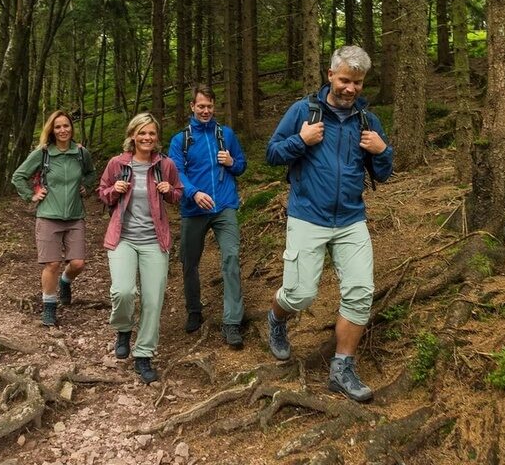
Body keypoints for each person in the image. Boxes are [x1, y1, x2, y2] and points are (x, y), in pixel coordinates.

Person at [265, 46, 393, 403]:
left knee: (360, 293)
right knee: (301, 294)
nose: (351, 88)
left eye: (358, 82)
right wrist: (300, 141)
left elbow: (382, 175)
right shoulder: (303, 111)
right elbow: (271, 153)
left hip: (351, 218)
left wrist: (382, 151)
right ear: (330, 75)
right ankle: (276, 317)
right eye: (345, 80)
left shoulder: (367, 119)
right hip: (307, 214)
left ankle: (341, 369)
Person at [98, 113, 183, 384]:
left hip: (154, 240)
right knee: (123, 292)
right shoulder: (118, 163)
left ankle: (144, 354)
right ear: (132, 135)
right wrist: (115, 189)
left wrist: (170, 189)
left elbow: (177, 194)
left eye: (152, 134)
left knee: (153, 299)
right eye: (142, 133)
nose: (147, 138)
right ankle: (123, 328)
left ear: (157, 137)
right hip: (123, 237)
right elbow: (102, 193)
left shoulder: (164, 164)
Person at [168, 84, 247, 348]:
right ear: (192, 106)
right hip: (194, 208)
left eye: (210, 107)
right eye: (201, 106)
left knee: (231, 256)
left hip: (224, 206)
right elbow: (176, 173)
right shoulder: (181, 139)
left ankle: (232, 322)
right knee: (189, 262)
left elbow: (242, 164)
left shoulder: (226, 134)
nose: (205, 111)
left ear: (215, 107)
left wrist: (231, 163)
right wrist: (194, 193)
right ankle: (193, 310)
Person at [12, 110, 96, 327]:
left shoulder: (80, 153)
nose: (62, 130)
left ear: (71, 127)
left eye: (66, 126)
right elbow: (18, 176)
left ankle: (65, 282)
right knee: (52, 263)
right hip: (48, 216)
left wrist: (86, 187)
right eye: (57, 127)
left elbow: (90, 173)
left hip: (75, 215)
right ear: (51, 130)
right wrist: (31, 195)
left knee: (77, 263)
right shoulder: (43, 153)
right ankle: (49, 307)